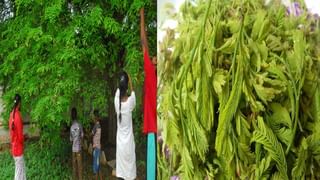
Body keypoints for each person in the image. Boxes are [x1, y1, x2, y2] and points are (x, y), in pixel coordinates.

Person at [140, 7, 157, 180]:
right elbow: (143, 41)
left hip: (157, 124)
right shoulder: (151, 71)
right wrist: (142, 17)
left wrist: (142, 16)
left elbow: (144, 42)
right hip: (154, 124)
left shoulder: (154, 72)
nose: (153, 56)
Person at [114, 71, 136, 180]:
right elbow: (133, 92)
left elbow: (119, 91)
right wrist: (129, 79)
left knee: (121, 173)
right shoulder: (130, 103)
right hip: (129, 145)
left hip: (121, 146)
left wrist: (123, 81)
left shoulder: (117, 103)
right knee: (130, 173)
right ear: (127, 87)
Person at [9, 94, 27, 180]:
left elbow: (15, 134)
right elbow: (20, 137)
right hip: (18, 149)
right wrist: (25, 138)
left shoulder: (11, 115)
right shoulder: (17, 116)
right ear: (19, 103)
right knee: (19, 174)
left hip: (14, 148)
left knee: (20, 172)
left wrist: (23, 137)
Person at [70, 107, 83, 180]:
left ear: (71, 116)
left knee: (74, 166)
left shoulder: (71, 127)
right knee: (79, 166)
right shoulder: (79, 125)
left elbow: (71, 140)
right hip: (78, 149)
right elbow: (82, 136)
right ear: (76, 115)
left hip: (73, 150)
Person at [92, 109, 102, 180]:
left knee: (96, 164)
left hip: (96, 147)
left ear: (95, 117)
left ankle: (96, 178)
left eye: (93, 117)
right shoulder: (99, 125)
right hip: (98, 146)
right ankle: (100, 178)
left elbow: (91, 134)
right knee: (98, 163)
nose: (92, 118)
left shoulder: (96, 126)